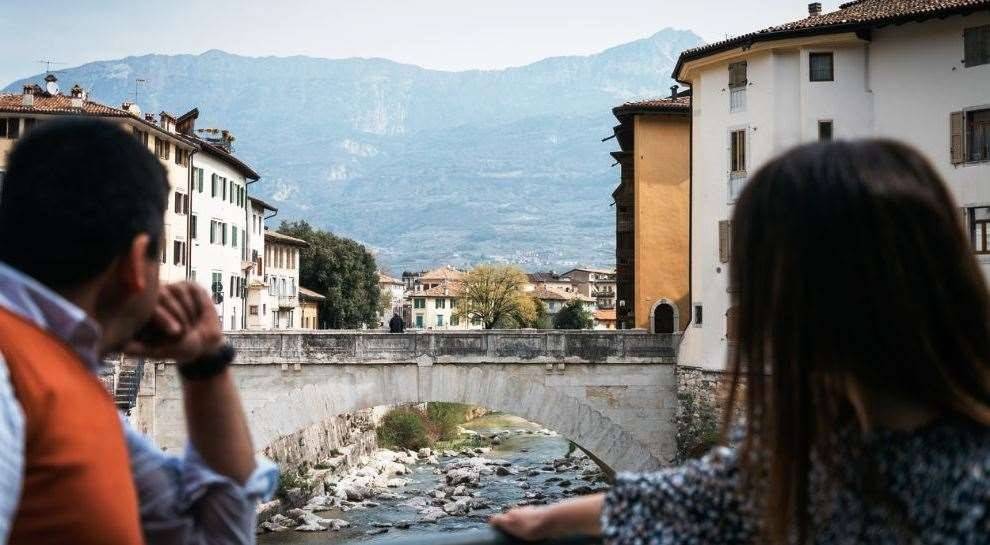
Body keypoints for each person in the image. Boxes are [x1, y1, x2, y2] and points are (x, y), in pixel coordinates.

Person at [491, 139, 990, 544]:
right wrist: (550, 518)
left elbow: (709, 495)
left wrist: (548, 521)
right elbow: (703, 493)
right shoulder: (820, 452)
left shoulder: (820, 463)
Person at [0, 118, 277, 544]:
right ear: (135, 263)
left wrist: (205, 363)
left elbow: (213, 537)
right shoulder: (18, 375)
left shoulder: (67, 384)